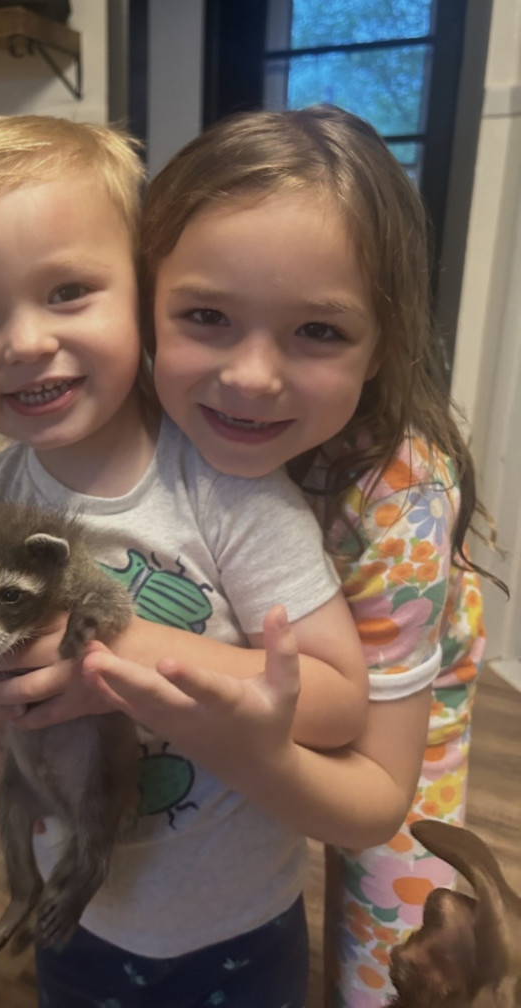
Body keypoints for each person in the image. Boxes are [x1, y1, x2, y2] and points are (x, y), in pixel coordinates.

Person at [0, 113, 371, 1008]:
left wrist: (126, 659)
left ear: (148, 297)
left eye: (68, 291)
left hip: (234, 920)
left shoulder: (226, 488)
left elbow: (339, 702)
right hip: (81, 911)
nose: (24, 342)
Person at [80, 105, 505, 1008]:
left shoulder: (401, 502)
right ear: (146, 307)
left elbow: (377, 798)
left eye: (319, 331)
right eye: (207, 316)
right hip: (261, 678)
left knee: (392, 961)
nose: (252, 377)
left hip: (399, 683)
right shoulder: (137, 416)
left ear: (383, 342)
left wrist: (249, 751)